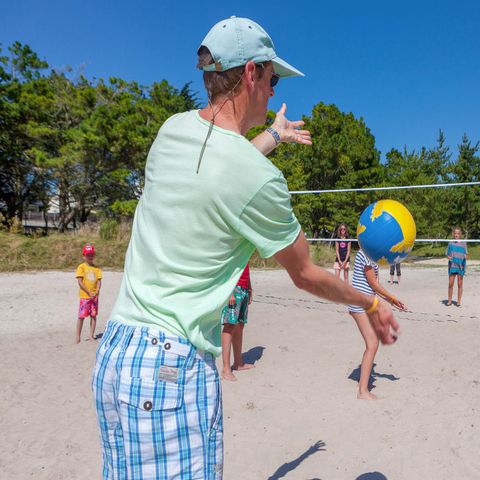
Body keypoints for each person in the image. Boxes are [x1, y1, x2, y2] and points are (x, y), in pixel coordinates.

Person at [93, 17, 400, 479]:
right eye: (272, 79)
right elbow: (306, 274)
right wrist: (370, 300)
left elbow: (223, 170)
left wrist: (274, 135)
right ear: (251, 73)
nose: (274, 91)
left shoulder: (170, 131)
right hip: (170, 368)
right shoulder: (257, 179)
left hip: (117, 356)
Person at [348, 249, 405, 400]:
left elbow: (374, 284)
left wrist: (391, 301)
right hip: (359, 304)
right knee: (372, 344)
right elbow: (372, 283)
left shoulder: (372, 253)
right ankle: (362, 392)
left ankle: (362, 385)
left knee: (372, 344)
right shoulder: (366, 252)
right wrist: (392, 298)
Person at [221, 263, 254, 381]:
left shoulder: (245, 246)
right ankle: (225, 369)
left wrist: (249, 288)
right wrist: (229, 293)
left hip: (244, 289)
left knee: (240, 325)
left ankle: (238, 363)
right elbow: (225, 268)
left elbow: (245, 267)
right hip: (233, 289)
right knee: (229, 325)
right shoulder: (232, 245)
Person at [75, 244, 102, 343]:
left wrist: (97, 291)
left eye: (91, 254)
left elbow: (99, 281)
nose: (90, 256)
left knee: (93, 316)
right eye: (88, 255)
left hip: (94, 297)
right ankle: (78, 336)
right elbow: (80, 282)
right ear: (84, 256)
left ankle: (91, 335)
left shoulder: (97, 268)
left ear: (94, 255)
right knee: (81, 316)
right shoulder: (81, 267)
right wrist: (88, 292)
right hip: (85, 296)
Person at [446, 227, 467, 306]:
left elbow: (466, 254)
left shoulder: (464, 243)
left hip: (461, 265)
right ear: (453, 234)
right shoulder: (450, 242)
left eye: (458, 233)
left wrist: (465, 257)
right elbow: (447, 254)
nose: (456, 235)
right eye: (455, 233)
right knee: (450, 284)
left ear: (460, 234)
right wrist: (449, 257)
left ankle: (458, 301)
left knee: (459, 284)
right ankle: (449, 301)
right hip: (452, 265)